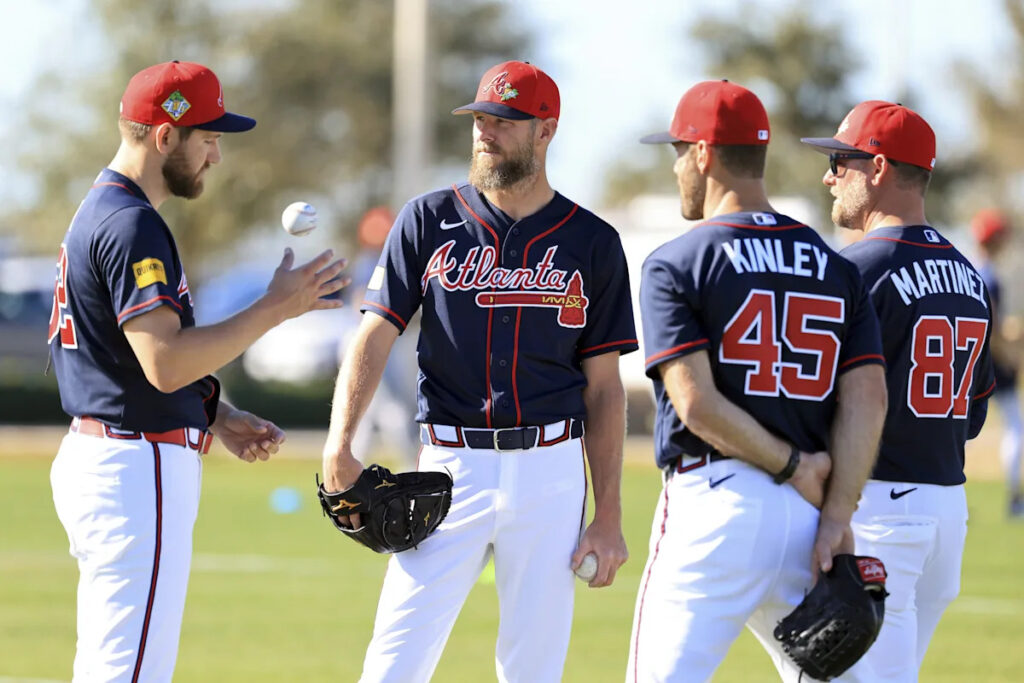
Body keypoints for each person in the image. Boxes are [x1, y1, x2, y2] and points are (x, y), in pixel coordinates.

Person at [320, 60, 638, 682]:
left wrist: (608, 516)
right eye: (481, 119)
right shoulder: (427, 219)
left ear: (545, 131)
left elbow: (605, 391)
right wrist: (340, 443)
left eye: (504, 121)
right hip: (448, 465)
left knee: (533, 668)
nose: (485, 132)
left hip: (551, 470)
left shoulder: (592, 242)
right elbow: (373, 337)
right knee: (394, 660)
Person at [47, 60, 347, 682]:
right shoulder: (131, 224)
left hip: (112, 457)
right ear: (164, 137)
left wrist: (216, 411)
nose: (215, 154)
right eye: (207, 138)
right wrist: (274, 308)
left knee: (112, 666)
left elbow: (125, 359)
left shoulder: (101, 211)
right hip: (135, 466)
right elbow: (163, 363)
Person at [628, 80, 888, 682]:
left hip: (715, 504)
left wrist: (793, 464)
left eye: (677, 151)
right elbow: (868, 400)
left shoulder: (677, 260)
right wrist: (835, 517)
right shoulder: (834, 264)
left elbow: (695, 404)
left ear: (702, 154)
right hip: (807, 521)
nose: (674, 167)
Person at [801, 100, 995, 681]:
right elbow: (976, 414)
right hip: (945, 510)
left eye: (841, 160)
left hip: (879, 512)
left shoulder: (858, 268)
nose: (829, 175)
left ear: (879, 168)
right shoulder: (969, 275)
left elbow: (813, 400)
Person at [970, 208, 1023, 516]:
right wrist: (1012, 355)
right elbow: (993, 331)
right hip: (991, 363)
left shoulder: (970, 269)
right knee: (1016, 427)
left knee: (963, 432)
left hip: (968, 362)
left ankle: (952, 489)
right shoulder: (989, 275)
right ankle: (1015, 499)